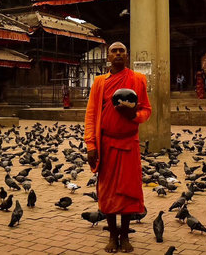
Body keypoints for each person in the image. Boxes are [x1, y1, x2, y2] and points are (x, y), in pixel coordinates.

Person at [84, 42, 151, 253]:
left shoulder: (138, 79)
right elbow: (91, 115)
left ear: (127, 56)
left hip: (129, 143)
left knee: (129, 191)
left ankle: (125, 235)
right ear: (108, 56)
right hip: (106, 143)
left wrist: (134, 115)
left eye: (122, 50)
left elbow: (146, 110)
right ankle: (113, 236)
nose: (119, 53)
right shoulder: (99, 82)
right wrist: (90, 145)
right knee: (108, 192)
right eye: (114, 51)